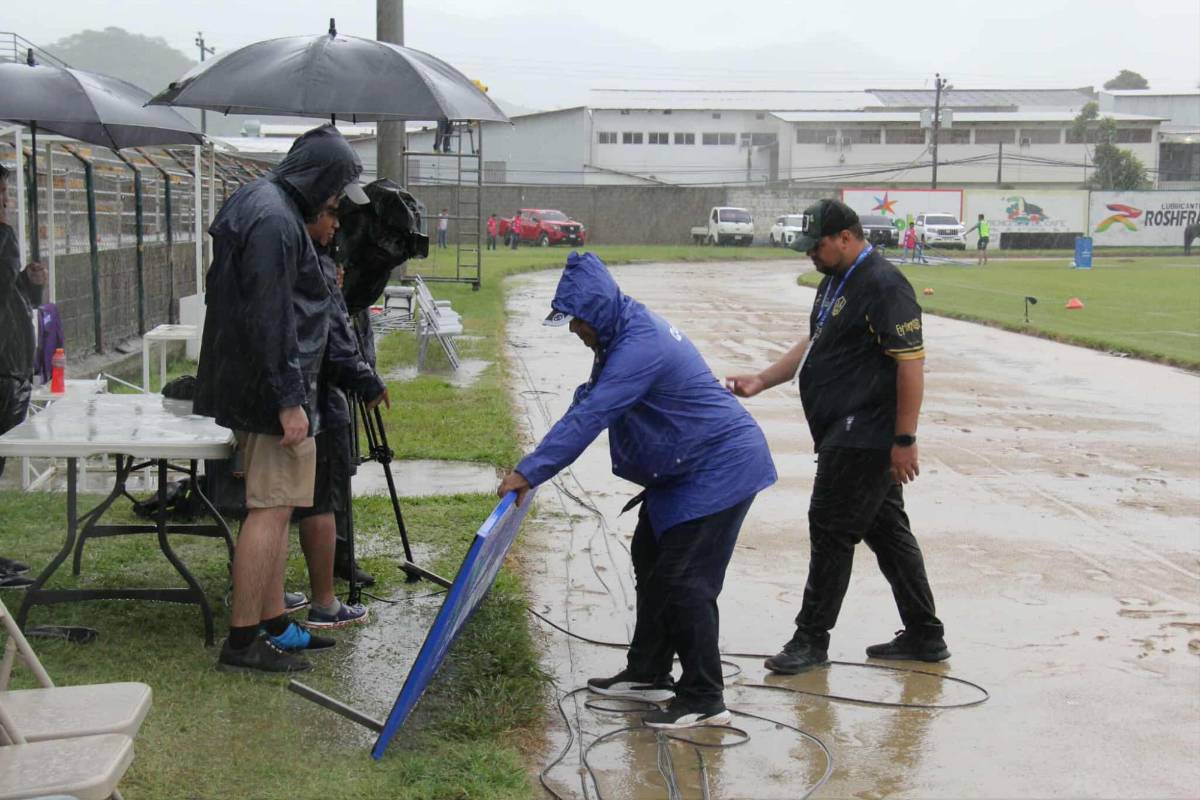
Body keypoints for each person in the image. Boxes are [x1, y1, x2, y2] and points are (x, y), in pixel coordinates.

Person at [497, 251, 777, 730]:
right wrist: (533, 466)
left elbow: (592, 416)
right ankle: (649, 671)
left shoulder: (638, 346)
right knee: (650, 557)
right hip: (684, 469)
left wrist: (530, 471)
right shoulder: (620, 333)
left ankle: (705, 697)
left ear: (598, 311)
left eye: (577, 320)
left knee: (687, 582)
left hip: (719, 467)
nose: (574, 330)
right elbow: (589, 401)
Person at [726, 199, 948, 675]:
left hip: (864, 433)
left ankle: (811, 639)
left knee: (830, 529)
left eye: (818, 246)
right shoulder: (834, 282)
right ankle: (926, 635)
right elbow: (816, 340)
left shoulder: (885, 286)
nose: (811, 254)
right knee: (887, 532)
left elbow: (911, 365)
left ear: (846, 237)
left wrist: (905, 438)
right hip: (842, 430)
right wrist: (763, 380)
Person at [194, 124, 368, 674]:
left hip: (256, 384)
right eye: (336, 189)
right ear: (318, 175)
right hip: (270, 393)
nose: (336, 202)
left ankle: (273, 624)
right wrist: (291, 400)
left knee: (276, 504)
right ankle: (244, 641)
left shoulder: (263, 203)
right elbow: (271, 315)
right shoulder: (273, 219)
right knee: (269, 512)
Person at [283, 194, 390, 639]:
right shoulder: (313, 263)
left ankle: (275, 593)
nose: (335, 225)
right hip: (316, 401)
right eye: (328, 213)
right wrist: (366, 380)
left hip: (298, 396)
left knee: (278, 503)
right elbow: (332, 335)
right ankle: (325, 603)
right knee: (319, 501)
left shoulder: (291, 254)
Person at [0, 163, 46, 585]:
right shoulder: (2, 238)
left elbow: (9, 297)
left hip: (10, 365)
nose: (7, 203)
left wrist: (30, 284)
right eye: (2, 194)